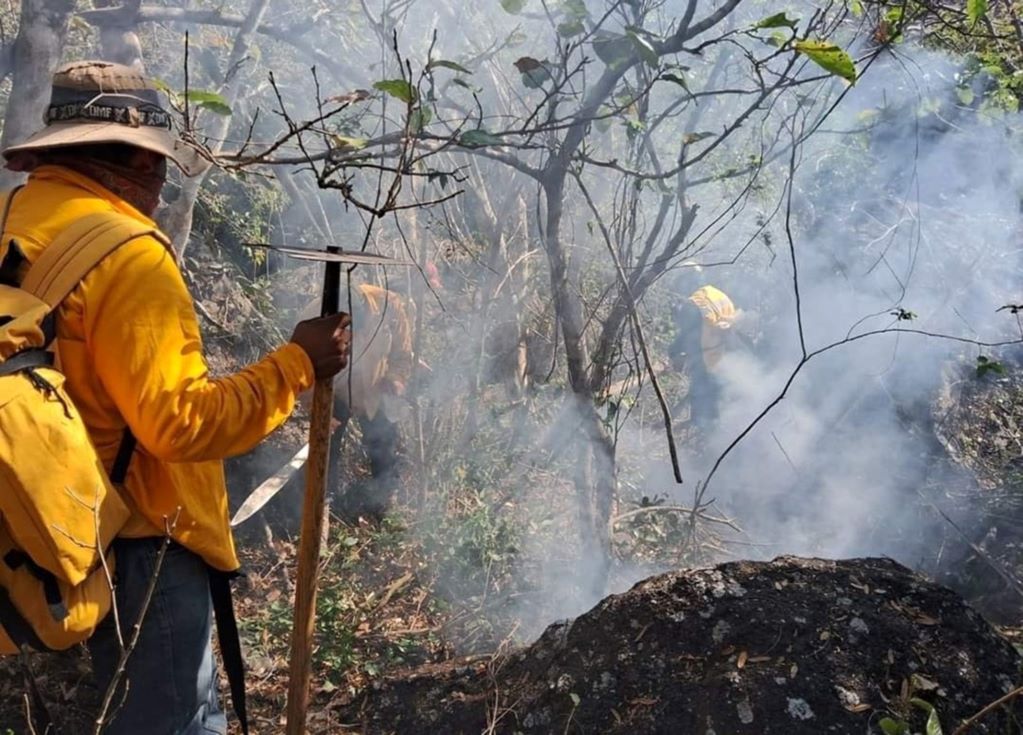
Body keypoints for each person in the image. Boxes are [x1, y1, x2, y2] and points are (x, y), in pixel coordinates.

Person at [0, 61, 352, 734]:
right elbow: (181, 425)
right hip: (134, 546)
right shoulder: (130, 254)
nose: (160, 185)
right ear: (126, 155)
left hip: (25, 540)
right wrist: (296, 363)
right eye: (155, 166)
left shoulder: (10, 217)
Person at [324, 282, 414, 519]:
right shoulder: (316, 314)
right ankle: (326, 499)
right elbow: (303, 373)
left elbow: (403, 354)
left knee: (383, 443)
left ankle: (381, 503)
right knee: (326, 447)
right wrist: (320, 410)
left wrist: (396, 379)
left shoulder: (391, 306)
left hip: (375, 389)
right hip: (335, 392)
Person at [669, 277, 738, 431]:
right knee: (714, 387)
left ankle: (705, 424)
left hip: (711, 354)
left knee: (703, 384)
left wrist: (674, 353)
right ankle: (709, 422)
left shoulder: (690, 312)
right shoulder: (704, 301)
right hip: (718, 350)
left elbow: (687, 336)